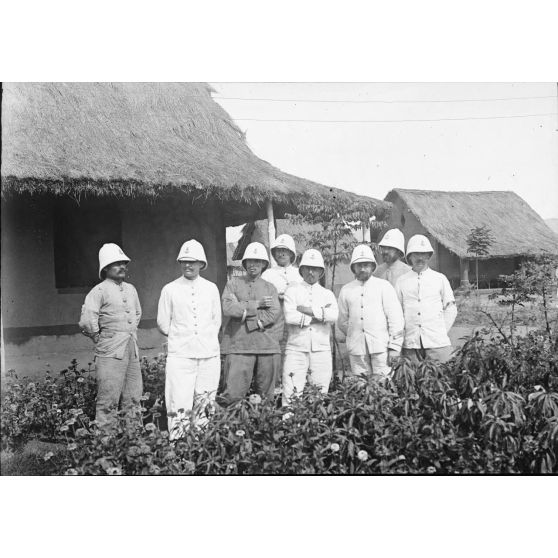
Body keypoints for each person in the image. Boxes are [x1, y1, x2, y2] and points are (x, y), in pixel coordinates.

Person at [157, 240, 221, 439]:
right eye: (184, 261)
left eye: (193, 261)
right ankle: (177, 445)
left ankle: (201, 445)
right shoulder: (170, 289)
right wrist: (180, 337)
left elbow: (216, 320)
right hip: (181, 355)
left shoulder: (211, 288)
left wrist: (204, 338)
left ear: (201, 263)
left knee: (206, 401)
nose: (188, 265)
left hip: (208, 353)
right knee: (178, 400)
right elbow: (162, 322)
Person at [79, 243, 142, 427]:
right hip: (109, 351)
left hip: (131, 349)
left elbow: (137, 313)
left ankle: (134, 446)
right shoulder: (98, 291)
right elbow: (87, 320)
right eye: (116, 263)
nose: (122, 267)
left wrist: (126, 333)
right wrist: (99, 337)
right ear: (105, 268)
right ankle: (106, 448)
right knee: (108, 399)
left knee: (133, 397)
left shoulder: (131, 289)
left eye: (124, 263)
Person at [218, 242, 282, 405]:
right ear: (245, 263)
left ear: (264, 264)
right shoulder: (233, 283)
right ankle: (231, 429)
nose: (253, 265)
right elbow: (228, 308)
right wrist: (257, 304)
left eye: (258, 261)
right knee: (232, 396)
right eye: (250, 261)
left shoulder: (270, 288)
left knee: (266, 399)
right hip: (239, 346)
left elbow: (273, 312)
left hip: (266, 347)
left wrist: (246, 313)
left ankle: (265, 429)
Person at [337, 244, 404, 380]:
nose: (362, 269)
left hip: (381, 347)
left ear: (373, 267)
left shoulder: (383, 287)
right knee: (360, 386)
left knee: (383, 384)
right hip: (357, 349)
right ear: (353, 267)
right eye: (359, 265)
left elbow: (395, 319)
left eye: (366, 265)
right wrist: (354, 335)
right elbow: (342, 321)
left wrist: (394, 347)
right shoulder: (346, 290)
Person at [282, 249, 338, 405]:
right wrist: (321, 315)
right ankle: (289, 426)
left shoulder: (327, 294)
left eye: (315, 269)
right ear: (301, 270)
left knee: (320, 391)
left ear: (321, 271)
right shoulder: (292, 290)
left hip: (321, 349)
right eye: (307, 268)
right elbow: (290, 316)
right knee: (291, 391)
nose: (311, 272)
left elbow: (333, 315)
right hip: (296, 348)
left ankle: (316, 426)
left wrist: (308, 310)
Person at [395, 234, 457, 364]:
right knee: (413, 381)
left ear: (429, 256)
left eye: (424, 254)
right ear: (409, 256)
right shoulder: (401, 281)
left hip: (437, 343)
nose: (420, 258)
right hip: (411, 344)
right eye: (416, 254)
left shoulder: (440, 279)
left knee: (441, 379)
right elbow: (397, 313)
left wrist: (440, 330)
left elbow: (451, 309)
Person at [261, 233, 303, 391]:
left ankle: (293, 387)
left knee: (294, 351)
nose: (282, 253)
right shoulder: (268, 274)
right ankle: (275, 387)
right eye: (278, 250)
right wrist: (277, 295)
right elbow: (263, 297)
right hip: (275, 319)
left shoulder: (299, 273)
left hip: (294, 318)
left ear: (292, 253)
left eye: (285, 251)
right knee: (275, 351)